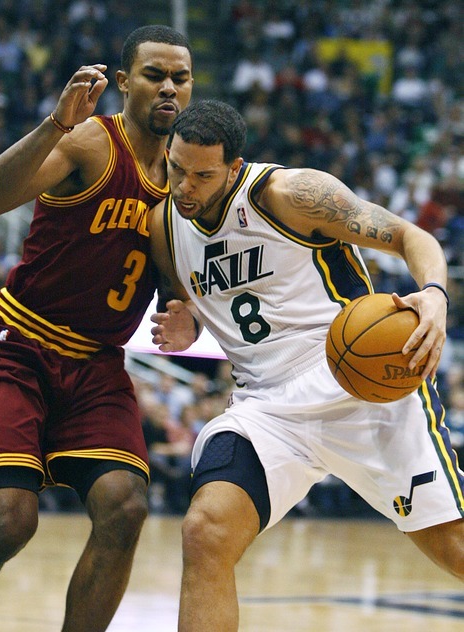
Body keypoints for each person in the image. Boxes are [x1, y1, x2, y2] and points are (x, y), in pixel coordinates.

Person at [148, 99, 464, 631]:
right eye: (177, 169)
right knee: (205, 530)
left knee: (451, 545)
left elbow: (412, 237)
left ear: (234, 167)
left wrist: (433, 293)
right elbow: (213, 303)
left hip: (357, 384)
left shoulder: (291, 195)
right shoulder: (165, 226)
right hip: (265, 407)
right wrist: (191, 325)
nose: (185, 186)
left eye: (202, 175)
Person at [0, 25, 194, 631]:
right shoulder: (92, 142)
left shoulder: (184, 176)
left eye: (181, 77)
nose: (169, 87)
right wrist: (55, 125)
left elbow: (174, 280)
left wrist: (186, 314)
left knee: (125, 508)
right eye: (154, 75)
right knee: (10, 522)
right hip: (15, 346)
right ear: (124, 83)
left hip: (96, 364)